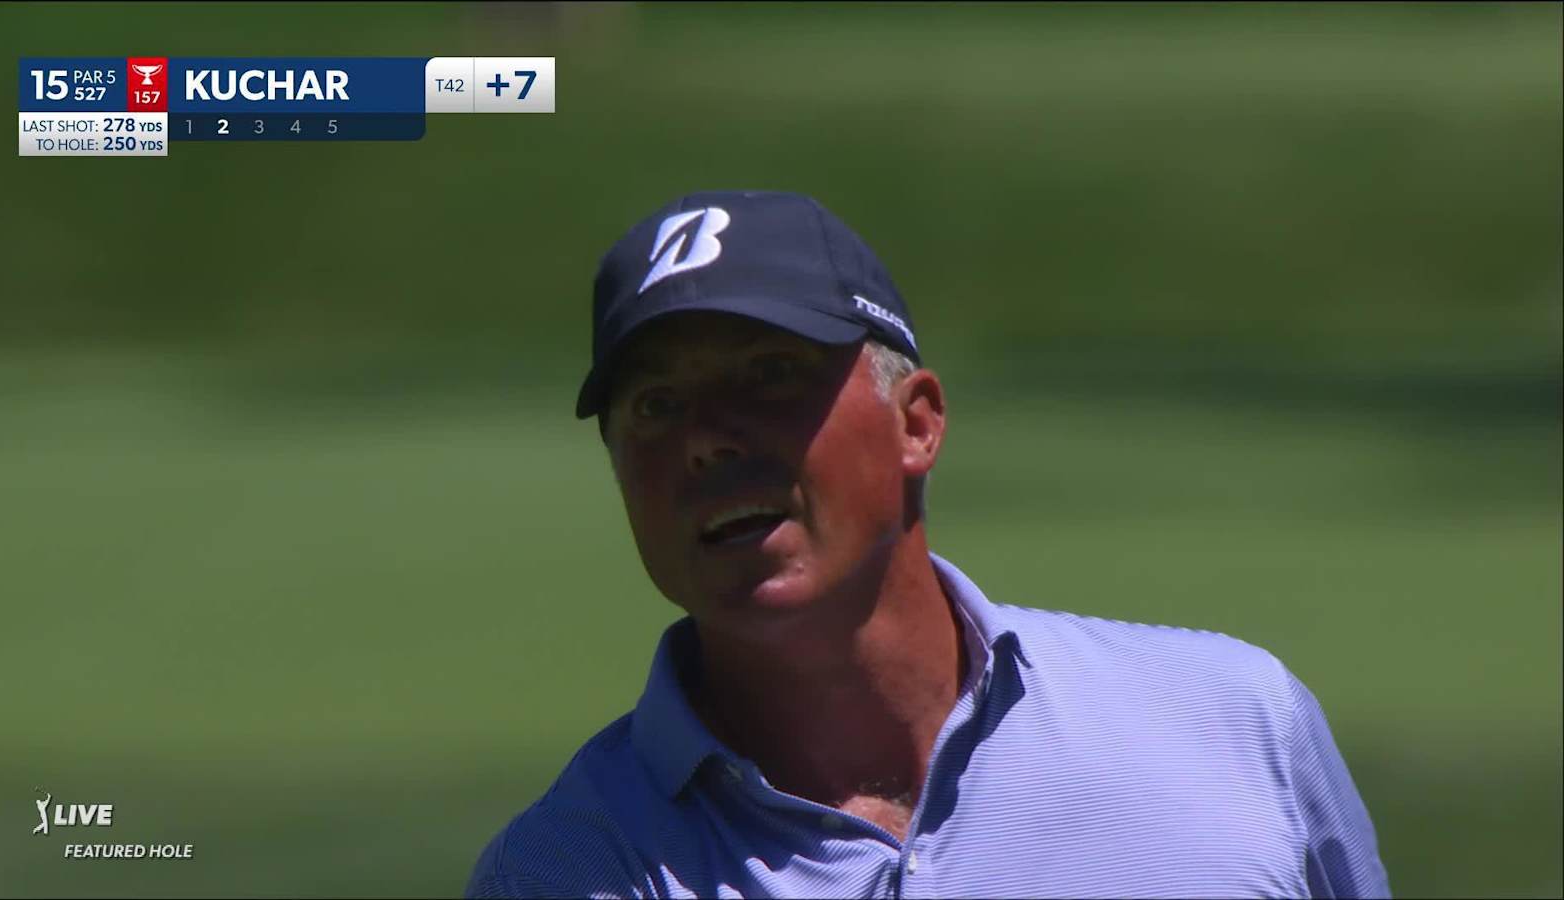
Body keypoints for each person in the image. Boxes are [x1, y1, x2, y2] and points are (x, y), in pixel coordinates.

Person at [465, 190, 1390, 899]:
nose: (705, 438)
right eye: (657, 405)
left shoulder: (1234, 725)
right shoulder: (564, 869)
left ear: (917, 423)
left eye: (769, 375)